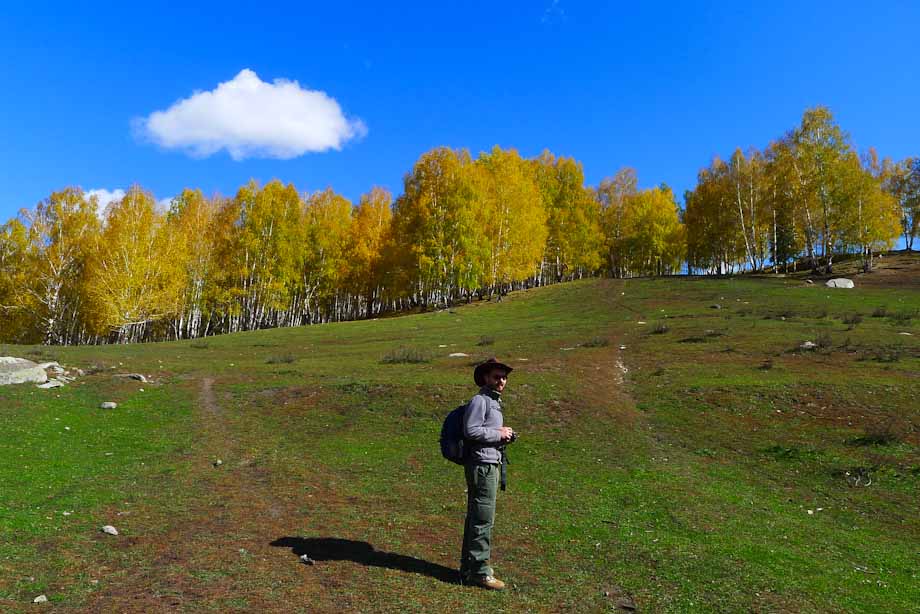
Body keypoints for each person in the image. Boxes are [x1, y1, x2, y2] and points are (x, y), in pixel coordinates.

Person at [459, 357, 515, 590]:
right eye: (496, 376)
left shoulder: (493, 402)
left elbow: (485, 431)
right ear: (485, 378)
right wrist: (499, 434)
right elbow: (470, 430)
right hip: (482, 466)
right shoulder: (480, 400)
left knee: (477, 516)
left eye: (504, 377)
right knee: (483, 518)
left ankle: (468, 568)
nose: (501, 380)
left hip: (488, 463)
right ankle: (480, 572)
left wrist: (506, 436)